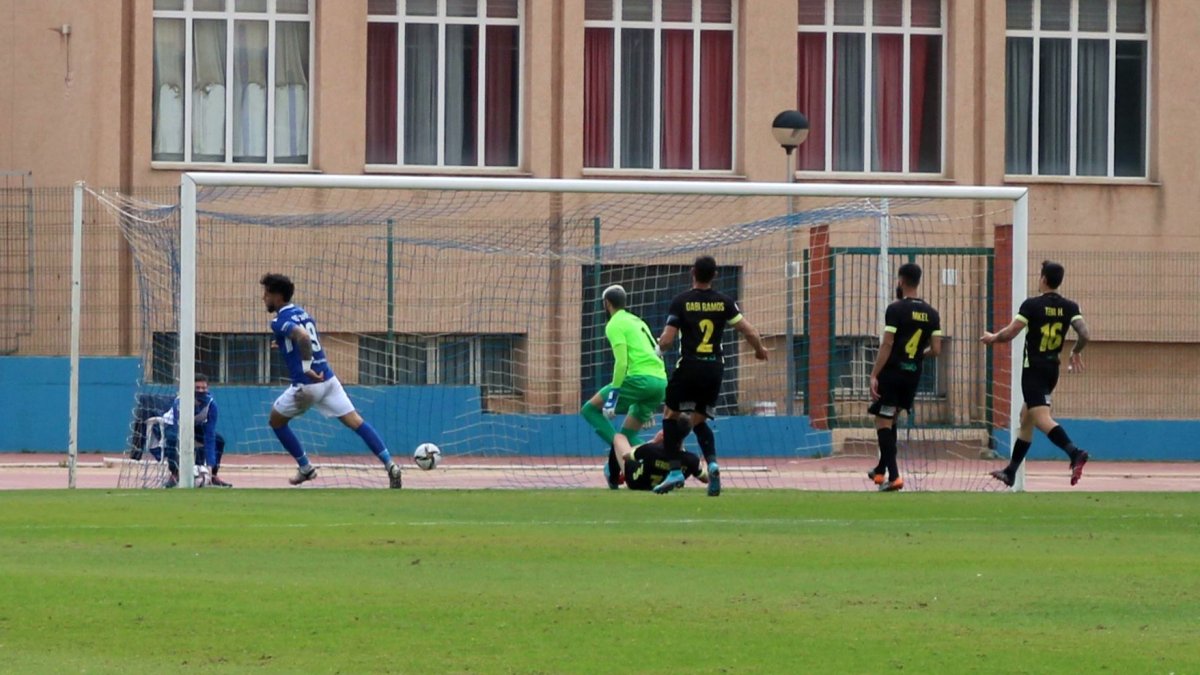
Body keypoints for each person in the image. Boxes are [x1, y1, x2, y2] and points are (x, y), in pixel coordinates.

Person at [260, 273, 403, 488]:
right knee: (357, 422)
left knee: (276, 421)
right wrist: (282, 345)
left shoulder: (278, 320)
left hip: (307, 385)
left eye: (266, 293)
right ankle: (390, 464)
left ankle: (305, 467)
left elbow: (304, 337)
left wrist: (306, 367)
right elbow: (303, 337)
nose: (264, 298)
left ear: (277, 296)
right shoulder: (303, 313)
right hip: (329, 379)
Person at [656, 256, 768, 496]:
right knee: (699, 419)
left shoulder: (681, 301)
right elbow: (749, 331)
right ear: (715, 275)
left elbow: (667, 340)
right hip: (713, 368)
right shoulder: (724, 302)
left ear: (692, 272)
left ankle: (675, 470)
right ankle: (713, 463)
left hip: (689, 366)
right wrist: (759, 351)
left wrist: (657, 348)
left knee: (670, 414)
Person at [981, 260, 1091, 487]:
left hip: (1033, 370)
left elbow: (1011, 332)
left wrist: (993, 339)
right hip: (1052, 369)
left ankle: (1074, 452)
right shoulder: (1070, 306)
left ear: (1043, 279)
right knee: (1026, 418)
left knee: (1041, 418)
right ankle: (1011, 471)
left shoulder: (1031, 305)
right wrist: (1076, 351)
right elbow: (1085, 334)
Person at [579, 284, 668, 490]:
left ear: (606, 304)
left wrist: (613, 397)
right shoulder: (638, 321)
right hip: (660, 381)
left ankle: (620, 461)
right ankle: (655, 459)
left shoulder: (614, 324)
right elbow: (654, 351)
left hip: (638, 379)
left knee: (590, 409)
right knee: (626, 435)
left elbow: (621, 363)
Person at [866, 263, 942, 492]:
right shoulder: (932, 313)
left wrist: (874, 374)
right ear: (918, 281)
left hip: (893, 373)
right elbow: (937, 350)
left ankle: (896, 477)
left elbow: (887, 343)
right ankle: (881, 471)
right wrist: (919, 356)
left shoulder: (895, 309)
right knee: (892, 419)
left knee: (882, 421)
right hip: (912, 375)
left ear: (900, 281)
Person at [160, 373, 231, 488]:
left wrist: (210, 463)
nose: (201, 391)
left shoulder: (211, 405)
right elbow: (178, 428)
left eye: (203, 388)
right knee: (173, 439)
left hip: (195, 426)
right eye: (197, 388)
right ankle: (174, 474)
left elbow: (210, 434)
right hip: (172, 425)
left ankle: (213, 475)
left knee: (219, 440)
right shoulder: (180, 402)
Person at [613, 418, 709, 492]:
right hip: (663, 481)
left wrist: (653, 442)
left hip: (636, 483)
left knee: (619, 437)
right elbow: (705, 479)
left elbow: (625, 456)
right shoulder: (692, 460)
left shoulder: (651, 449)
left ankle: (613, 478)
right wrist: (701, 466)